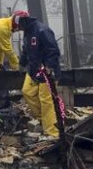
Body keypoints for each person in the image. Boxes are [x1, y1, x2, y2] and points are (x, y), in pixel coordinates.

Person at [16, 10, 61, 138]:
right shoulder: (27, 32)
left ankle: (52, 131)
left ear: (23, 22)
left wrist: (50, 66)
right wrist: (22, 63)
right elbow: (26, 50)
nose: (17, 29)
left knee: (46, 100)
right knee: (27, 92)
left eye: (18, 26)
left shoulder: (42, 30)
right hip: (33, 71)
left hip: (46, 72)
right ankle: (44, 120)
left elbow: (53, 50)